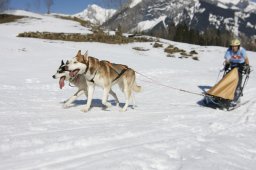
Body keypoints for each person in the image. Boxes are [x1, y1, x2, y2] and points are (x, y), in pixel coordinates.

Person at [224, 38, 250, 103]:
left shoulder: (242, 50)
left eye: (235, 46)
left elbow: (246, 58)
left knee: (238, 75)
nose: (233, 48)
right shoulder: (229, 50)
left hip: (241, 64)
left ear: (238, 46)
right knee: (227, 76)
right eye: (232, 46)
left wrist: (247, 66)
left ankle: (238, 91)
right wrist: (227, 64)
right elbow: (227, 59)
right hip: (233, 65)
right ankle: (226, 91)